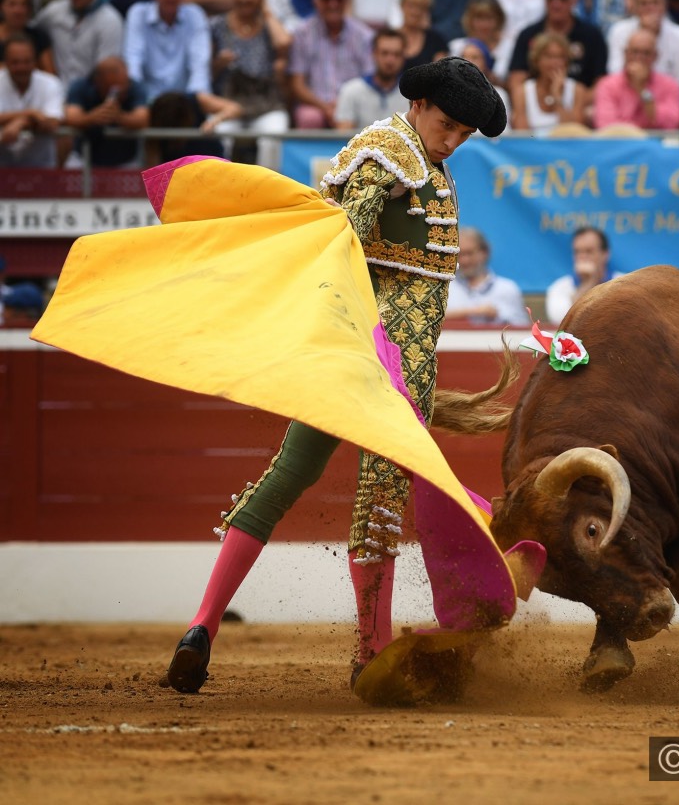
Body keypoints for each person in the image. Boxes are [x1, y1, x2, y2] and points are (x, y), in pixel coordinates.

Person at [163, 56, 507, 695]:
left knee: (289, 477)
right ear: (421, 103)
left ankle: (203, 627)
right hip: (383, 364)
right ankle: (367, 653)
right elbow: (343, 233)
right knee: (375, 503)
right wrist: (364, 342)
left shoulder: (424, 161)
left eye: (466, 131)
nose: (455, 138)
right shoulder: (388, 152)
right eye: (449, 123)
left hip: (375, 357)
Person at [210, 0, 291, 171]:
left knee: (274, 134)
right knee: (219, 134)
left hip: (265, 104)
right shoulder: (217, 25)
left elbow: (283, 43)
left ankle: (268, 191)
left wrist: (266, 11)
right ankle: (222, 191)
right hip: (228, 104)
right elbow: (206, 73)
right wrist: (219, 63)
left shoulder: (267, 25)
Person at [288, 0, 373, 127]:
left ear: (346, 1)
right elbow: (297, 84)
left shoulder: (363, 35)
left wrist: (343, 106)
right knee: (309, 118)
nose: (333, 4)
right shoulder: (302, 34)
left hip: (353, 103)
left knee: (362, 115)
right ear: (316, 0)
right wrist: (324, 107)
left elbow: (369, 79)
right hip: (314, 104)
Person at [506, 0, 607, 98]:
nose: (556, 4)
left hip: (580, 108)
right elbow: (516, 81)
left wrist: (576, 103)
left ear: (574, 0)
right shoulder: (527, 35)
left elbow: (601, 85)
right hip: (534, 107)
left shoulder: (592, 36)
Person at [124, 0, 212, 103]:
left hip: (185, 102)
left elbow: (199, 66)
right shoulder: (138, 13)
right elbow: (133, 61)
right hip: (146, 101)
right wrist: (137, 99)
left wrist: (193, 103)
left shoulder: (195, 15)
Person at [35, 0, 125, 91]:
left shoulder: (110, 20)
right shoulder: (53, 12)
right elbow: (31, 34)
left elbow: (107, 73)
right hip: (56, 93)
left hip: (92, 96)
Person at [63, 55, 149, 168]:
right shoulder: (81, 86)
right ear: (97, 81)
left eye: (123, 85)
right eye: (112, 88)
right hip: (84, 159)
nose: (119, 91)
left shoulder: (135, 87)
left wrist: (119, 117)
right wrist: (91, 118)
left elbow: (143, 119)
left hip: (125, 161)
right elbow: (70, 117)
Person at [593, 27, 679, 130]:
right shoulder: (607, 85)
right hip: (621, 143)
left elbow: (672, 123)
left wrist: (643, 90)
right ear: (626, 54)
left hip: (655, 144)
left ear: (656, 56)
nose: (639, 58)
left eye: (646, 53)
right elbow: (605, 125)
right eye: (635, 52)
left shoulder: (670, 85)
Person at [606, 0, 679, 88]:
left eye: (655, 2)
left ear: (665, 5)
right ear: (635, 7)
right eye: (644, 3)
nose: (650, 8)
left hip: (666, 97)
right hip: (625, 95)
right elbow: (614, 73)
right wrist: (644, 32)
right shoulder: (618, 31)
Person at [0, 33, 64, 168]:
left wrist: (22, 122)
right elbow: (42, 118)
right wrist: (31, 114)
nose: (21, 67)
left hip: (41, 170)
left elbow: (52, 123)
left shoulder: (51, 83)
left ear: (35, 61)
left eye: (27, 61)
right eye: (15, 62)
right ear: (5, 62)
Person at [445, 226, 528, 325]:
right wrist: (476, 311)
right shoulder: (446, 287)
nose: (464, 260)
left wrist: (497, 316)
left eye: (470, 253)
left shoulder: (507, 288)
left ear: (484, 253)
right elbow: (430, 320)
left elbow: (521, 328)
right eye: (460, 254)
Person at [511, 30, 589, 133]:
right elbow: (522, 135)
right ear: (536, 60)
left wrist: (557, 97)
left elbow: (574, 134)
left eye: (560, 57)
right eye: (548, 56)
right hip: (534, 148)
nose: (555, 62)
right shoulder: (522, 92)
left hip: (566, 148)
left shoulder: (577, 90)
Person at [545, 226, 624, 324]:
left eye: (589, 251)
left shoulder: (624, 283)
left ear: (605, 254)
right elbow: (562, 322)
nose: (582, 257)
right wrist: (587, 283)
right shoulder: (559, 287)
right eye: (577, 252)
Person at [334, 27, 407, 130]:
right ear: (374, 54)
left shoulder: (412, 97)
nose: (390, 60)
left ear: (404, 57)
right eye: (384, 53)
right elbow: (342, 137)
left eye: (396, 54)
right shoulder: (350, 91)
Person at [0, 0, 53, 74]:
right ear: (1, 6)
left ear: (29, 8)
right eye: (12, 4)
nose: (18, 10)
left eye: (23, 4)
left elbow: (50, 74)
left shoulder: (39, 36)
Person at [396, 0, 449, 72]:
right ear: (402, 6)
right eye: (411, 6)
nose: (415, 12)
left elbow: (441, 74)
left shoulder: (436, 40)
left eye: (421, 7)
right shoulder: (389, 37)